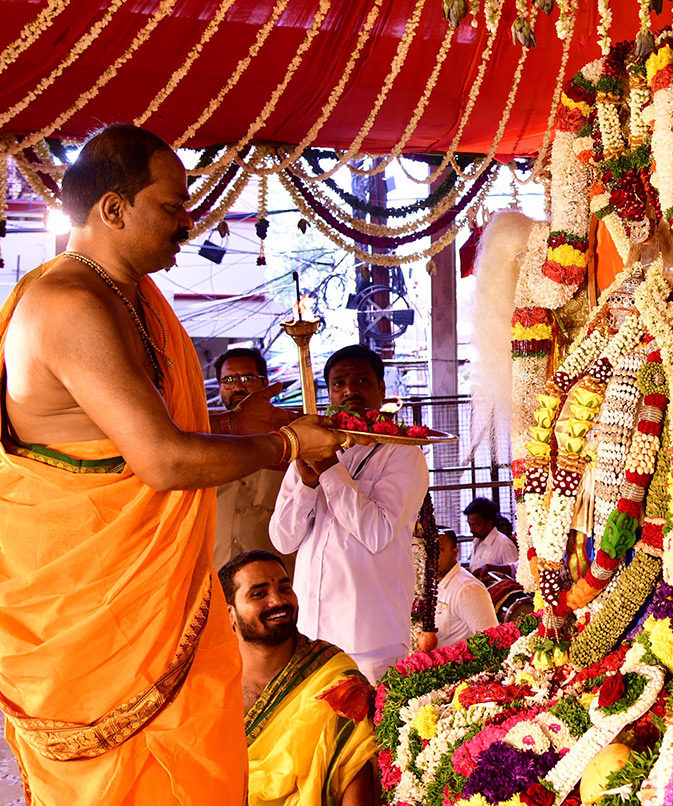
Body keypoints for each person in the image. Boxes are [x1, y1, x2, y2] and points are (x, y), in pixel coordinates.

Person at [0, 124, 343, 805]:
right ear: (113, 210)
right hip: (94, 620)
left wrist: (227, 425)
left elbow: (129, 432)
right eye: (172, 205)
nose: (188, 221)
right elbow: (160, 459)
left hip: (143, 606)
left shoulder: (133, 298)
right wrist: (287, 445)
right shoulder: (71, 304)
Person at [271, 344, 429, 683]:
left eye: (360, 381)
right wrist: (307, 485)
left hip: (369, 641)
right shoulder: (311, 449)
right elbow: (283, 539)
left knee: (367, 735)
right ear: (329, 391)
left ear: (381, 389)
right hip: (308, 637)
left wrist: (330, 469)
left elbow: (376, 533)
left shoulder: (403, 454)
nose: (349, 391)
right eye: (339, 383)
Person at [220, 550, 378, 806]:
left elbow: (356, 762)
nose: (277, 601)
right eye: (259, 594)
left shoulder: (332, 676)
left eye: (284, 588)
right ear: (229, 614)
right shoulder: (210, 685)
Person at [211, 347, 293, 575]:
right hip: (218, 581)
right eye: (228, 380)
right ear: (219, 387)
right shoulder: (203, 441)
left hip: (278, 583)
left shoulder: (289, 438)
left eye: (247, 378)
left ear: (265, 383)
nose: (237, 387)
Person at [433, 530, 498, 649]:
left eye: (439, 550)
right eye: (429, 550)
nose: (432, 556)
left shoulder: (467, 589)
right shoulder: (430, 583)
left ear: (454, 553)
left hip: (456, 665)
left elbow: (490, 643)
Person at [464, 497, 518, 575]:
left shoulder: (504, 544)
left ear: (489, 522)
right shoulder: (476, 541)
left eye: (475, 525)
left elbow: (515, 576)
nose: (471, 529)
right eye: (469, 525)